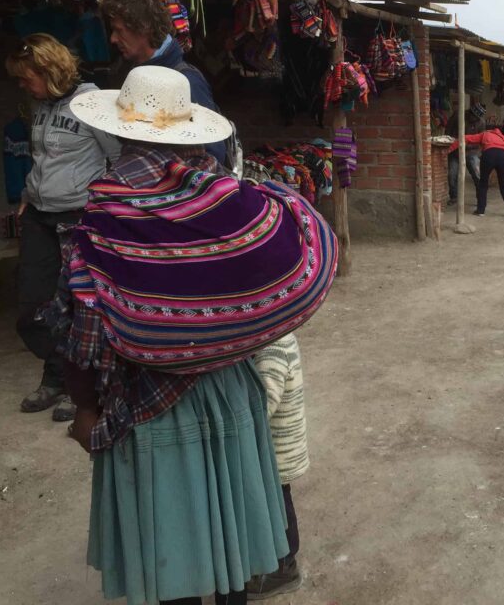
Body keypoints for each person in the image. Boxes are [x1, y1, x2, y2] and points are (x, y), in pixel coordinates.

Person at [58, 65, 336, 605]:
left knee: (171, 537)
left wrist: (86, 408)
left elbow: (84, 333)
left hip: (147, 400)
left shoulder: (103, 219)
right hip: (235, 392)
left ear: (117, 130)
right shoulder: (237, 200)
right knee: (229, 524)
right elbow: (293, 246)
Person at [7, 33, 119, 422]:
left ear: (49, 70)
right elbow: (42, 159)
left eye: (27, 77)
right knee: (34, 304)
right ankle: (57, 372)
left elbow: (118, 159)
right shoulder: (39, 105)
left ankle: (74, 384)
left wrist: (106, 206)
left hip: (78, 216)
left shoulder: (92, 104)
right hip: (39, 213)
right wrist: (26, 193)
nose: (23, 85)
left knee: (79, 305)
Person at [101, 0, 227, 165]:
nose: (113, 39)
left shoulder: (186, 80)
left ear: (143, 27)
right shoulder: (129, 72)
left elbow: (214, 156)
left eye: (118, 30)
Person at [248, 333, 309, 599]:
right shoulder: (272, 341)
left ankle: (284, 566)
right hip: (275, 448)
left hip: (277, 452)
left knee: (278, 506)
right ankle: (277, 560)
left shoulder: (274, 348)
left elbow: (264, 405)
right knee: (277, 502)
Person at [461, 126, 504, 216]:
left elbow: (468, 138)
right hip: (503, 157)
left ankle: (480, 211)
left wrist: (453, 145)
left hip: (489, 155)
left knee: (483, 183)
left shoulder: (485, 134)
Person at [448, 114, 482, 205]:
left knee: (477, 175)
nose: (473, 119)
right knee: (452, 174)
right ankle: (454, 196)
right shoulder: (457, 117)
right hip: (456, 151)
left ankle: (481, 198)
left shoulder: (481, 123)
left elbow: (480, 140)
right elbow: (449, 132)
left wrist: (468, 145)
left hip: (471, 152)